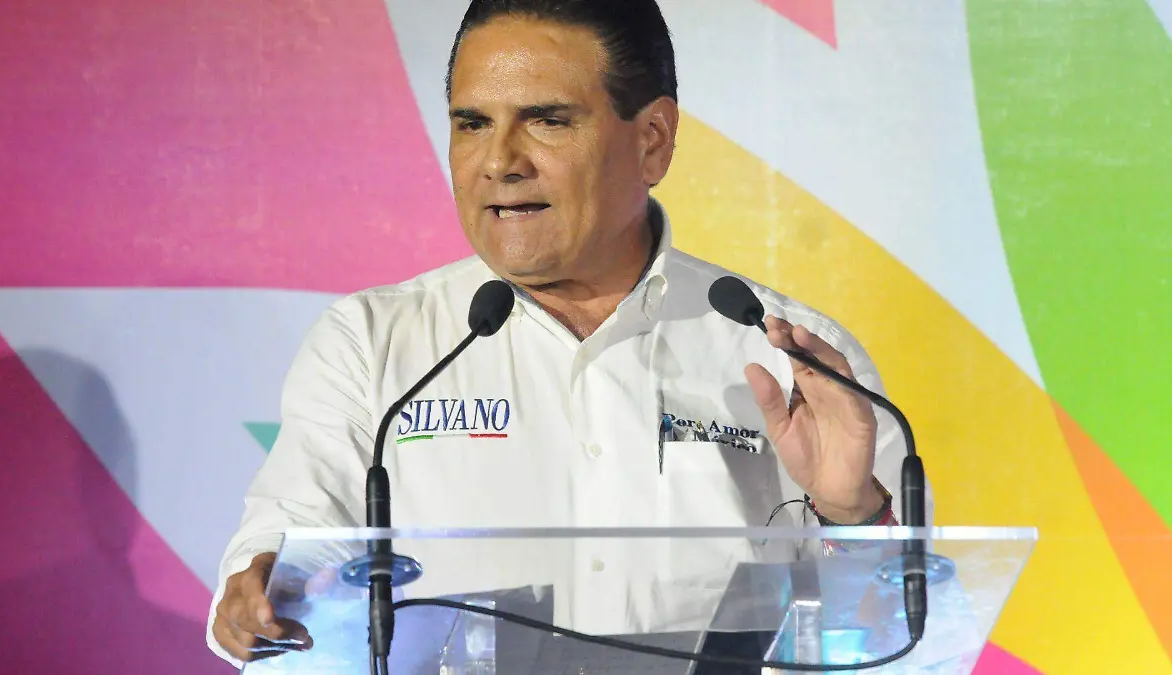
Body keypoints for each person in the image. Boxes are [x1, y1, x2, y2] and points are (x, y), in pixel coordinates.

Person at [207, 0, 929, 665]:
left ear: (652, 141)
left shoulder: (787, 354)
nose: (499, 161)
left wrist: (853, 516)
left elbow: (898, 650)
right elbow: (282, 553)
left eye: (547, 121)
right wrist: (262, 590)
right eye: (472, 123)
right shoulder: (372, 344)